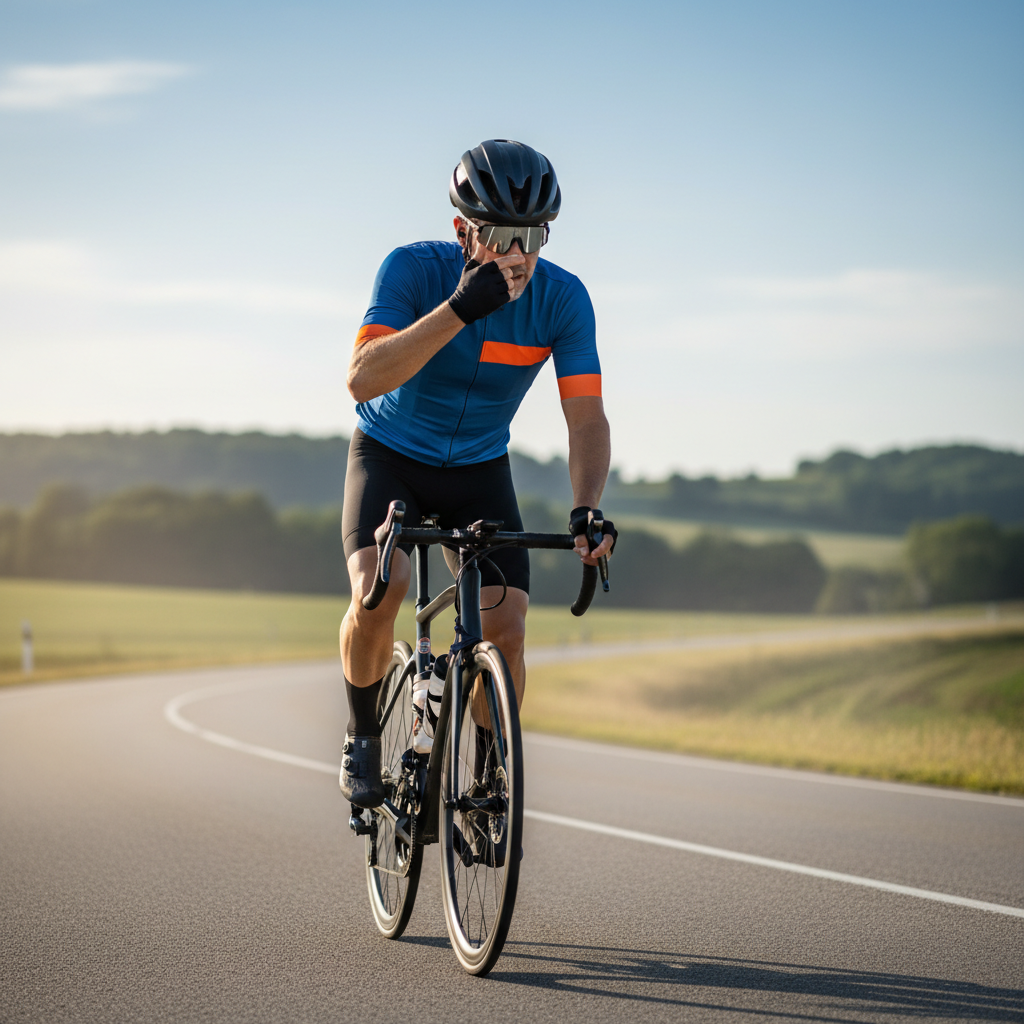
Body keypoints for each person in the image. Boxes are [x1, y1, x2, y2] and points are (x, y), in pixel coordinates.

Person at [339, 139, 615, 807]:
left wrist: (586, 507)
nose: (515, 257)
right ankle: (362, 735)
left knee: (508, 626)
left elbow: (586, 420)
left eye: (530, 237)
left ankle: (489, 774)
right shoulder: (411, 270)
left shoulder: (563, 300)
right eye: (497, 236)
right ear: (463, 230)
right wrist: (462, 307)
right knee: (385, 584)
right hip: (391, 455)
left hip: (479, 467)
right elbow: (361, 379)